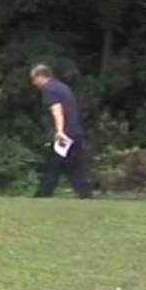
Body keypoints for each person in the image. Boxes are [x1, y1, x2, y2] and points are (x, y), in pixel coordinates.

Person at [30, 64, 95, 199]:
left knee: (53, 166)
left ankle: (42, 195)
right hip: (75, 132)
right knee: (74, 167)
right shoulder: (63, 87)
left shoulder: (49, 90)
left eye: (34, 79)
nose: (34, 83)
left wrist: (59, 131)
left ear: (41, 76)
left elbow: (57, 110)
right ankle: (85, 194)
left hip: (64, 136)